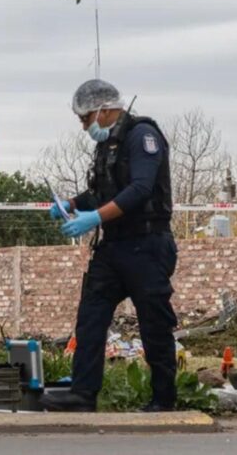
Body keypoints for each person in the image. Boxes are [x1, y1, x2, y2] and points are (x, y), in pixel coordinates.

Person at [40, 79, 178, 412]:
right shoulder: (108, 146)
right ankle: (83, 394)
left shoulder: (142, 136)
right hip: (114, 247)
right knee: (90, 315)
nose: (84, 126)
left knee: (153, 322)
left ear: (103, 110)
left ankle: (164, 398)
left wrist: (95, 218)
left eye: (85, 118)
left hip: (147, 245)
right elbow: (102, 192)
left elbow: (140, 189)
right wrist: (72, 204)